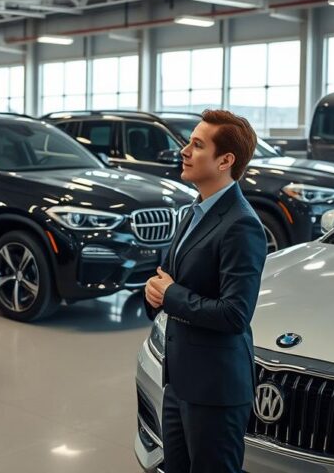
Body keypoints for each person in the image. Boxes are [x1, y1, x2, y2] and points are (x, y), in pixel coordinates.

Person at [144, 109, 267, 473]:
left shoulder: (241, 225)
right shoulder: (193, 211)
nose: (184, 150)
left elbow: (234, 314)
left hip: (215, 390)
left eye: (197, 145)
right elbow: (173, 280)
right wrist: (155, 292)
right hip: (180, 380)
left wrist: (170, 296)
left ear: (226, 160)